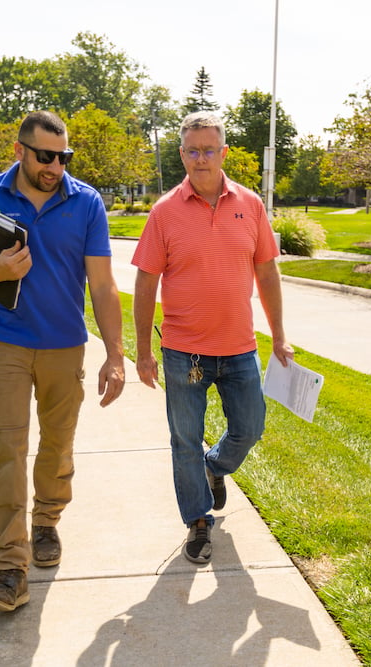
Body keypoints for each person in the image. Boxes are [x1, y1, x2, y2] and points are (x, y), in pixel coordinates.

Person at [0, 110, 125, 612]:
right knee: (5, 448)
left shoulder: (85, 202)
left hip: (65, 343)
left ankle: (46, 521)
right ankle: (8, 570)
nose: (55, 167)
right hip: (4, 340)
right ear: (20, 151)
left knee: (57, 444)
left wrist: (116, 354)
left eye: (63, 157)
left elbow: (104, 286)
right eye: (46, 156)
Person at [131, 111, 293, 565]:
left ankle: (213, 467)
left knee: (250, 427)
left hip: (240, 347)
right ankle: (198, 522)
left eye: (209, 150)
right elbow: (145, 283)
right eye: (192, 150)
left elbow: (266, 271)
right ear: (182, 154)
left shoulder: (250, 204)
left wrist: (279, 336)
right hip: (184, 351)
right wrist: (143, 352)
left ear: (223, 153)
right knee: (184, 439)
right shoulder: (164, 212)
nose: (201, 159)